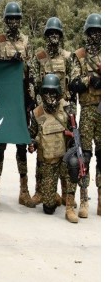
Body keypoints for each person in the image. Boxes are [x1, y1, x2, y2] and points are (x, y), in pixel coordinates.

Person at [0, 1, 35, 207]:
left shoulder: (26, 41)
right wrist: (8, 63)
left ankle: (24, 191)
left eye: (17, 19)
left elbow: (31, 70)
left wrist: (31, 99)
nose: (14, 22)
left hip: (20, 100)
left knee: (21, 145)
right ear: (6, 21)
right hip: (2, 100)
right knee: (0, 145)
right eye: (10, 19)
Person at [29, 17, 71, 208]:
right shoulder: (39, 57)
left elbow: (71, 84)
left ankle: (65, 193)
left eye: (57, 33)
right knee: (43, 153)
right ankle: (40, 191)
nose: (54, 36)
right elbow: (34, 83)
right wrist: (38, 109)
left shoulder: (68, 57)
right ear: (46, 36)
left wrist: (70, 109)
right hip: (44, 109)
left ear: (60, 36)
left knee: (65, 152)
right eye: (50, 33)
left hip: (62, 108)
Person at [28, 74, 78, 223]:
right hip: (48, 162)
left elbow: (75, 131)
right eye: (46, 92)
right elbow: (32, 134)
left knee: (74, 164)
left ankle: (69, 207)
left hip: (64, 159)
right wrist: (32, 144)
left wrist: (73, 145)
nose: (50, 96)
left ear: (58, 92)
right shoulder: (38, 112)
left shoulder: (67, 108)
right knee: (48, 208)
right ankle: (52, 196)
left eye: (53, 92)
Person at [68, 13, 101, 216]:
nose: (95, 35)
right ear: (87, 34)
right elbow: (73, 83)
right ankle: (84, 200)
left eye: (98, 32)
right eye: (92, 32)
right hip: (88, 111)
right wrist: (90, 80)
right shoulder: (79, 55)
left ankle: (101, 200)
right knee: (85, 156)